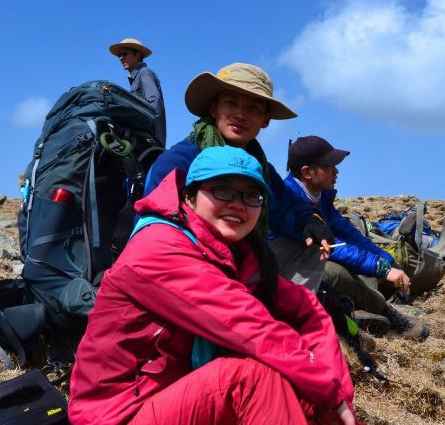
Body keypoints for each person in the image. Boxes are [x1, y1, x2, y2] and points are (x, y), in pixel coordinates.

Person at [69, 146, 436, 425]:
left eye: (250, 195)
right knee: (254, 371)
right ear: (189, 196)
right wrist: (329, 397)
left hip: (173, 404)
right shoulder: (159, 249)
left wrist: (337, 395)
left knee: (289, 356)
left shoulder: (233, 252)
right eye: (221, 190)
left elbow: (307, 311)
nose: (237, 204)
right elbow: (253, 329)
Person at [143, 63, 334, 292]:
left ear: (265, 119)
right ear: (214, 108)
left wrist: (310, 222)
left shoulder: (260, 167)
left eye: (253, 108)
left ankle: (278, 305)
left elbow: (286, 207)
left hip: (240, 262)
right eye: (231, 103)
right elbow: (155, 230)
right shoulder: (178, 162)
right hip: (186, 265)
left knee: (311, 245)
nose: (240, 114)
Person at [283, 135, 429, 341]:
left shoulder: (319, 197)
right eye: (329, 166)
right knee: (338, 272)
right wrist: (381, 269)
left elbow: (348, 234)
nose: (336, 171)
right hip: (287, 273)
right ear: (307, 172)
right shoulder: (288, 199)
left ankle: (354, 310)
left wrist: (386, 260)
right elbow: (332, 246)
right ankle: (388, 316)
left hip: (307, 267)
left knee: (365, 271)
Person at [109, 38, 166, 146]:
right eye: (119, 55)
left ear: (138, 55)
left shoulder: (144, 72)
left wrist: (145, 128)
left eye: (124, 54)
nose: (121, 58)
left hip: (149, 141)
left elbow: (155, 101)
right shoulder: (136, 77)